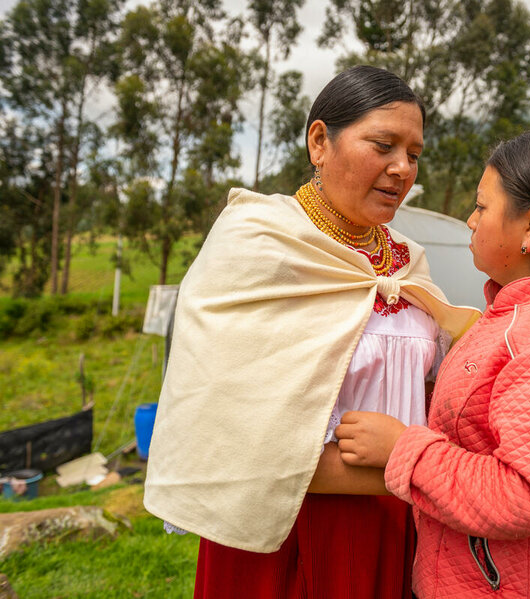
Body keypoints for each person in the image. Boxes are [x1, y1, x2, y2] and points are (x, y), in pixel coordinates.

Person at [143, 65, 480, 599]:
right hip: (279, 535)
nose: (401, 169)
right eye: (383, 144)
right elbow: (229, 431)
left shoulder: (407, 264)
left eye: (413, 154)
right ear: (320, 141)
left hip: (393, 528)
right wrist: (422, 469)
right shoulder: (259, 243)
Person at [335, 128, 530, 598]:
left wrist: (403, 448)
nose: (470, 220)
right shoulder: (512, 314)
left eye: (482, 206)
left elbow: (524, 496)